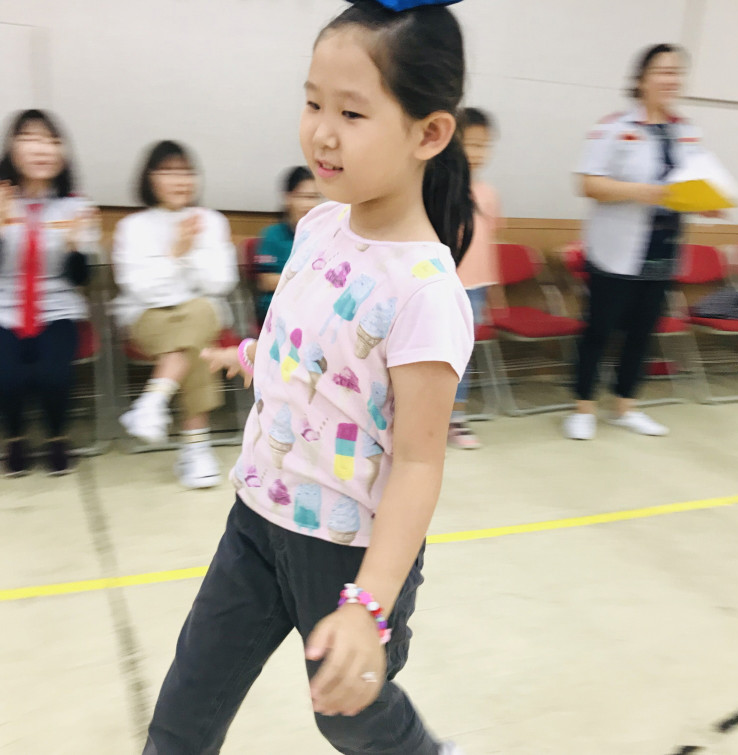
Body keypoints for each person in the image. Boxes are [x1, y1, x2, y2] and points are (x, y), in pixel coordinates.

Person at [142, 1, 474, 753]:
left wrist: (368, 605)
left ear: (428, 134)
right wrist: (252, 357)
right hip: (257, 517)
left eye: (351, 112)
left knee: (348, 716)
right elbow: (313, 343)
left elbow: (419, 464)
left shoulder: (426, 293)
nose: (321, 131)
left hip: (348, 551)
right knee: (184, 711)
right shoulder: (320, 224)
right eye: (313, 102)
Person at [564, 43, 714, 441]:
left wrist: (708, 202)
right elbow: (588, 183)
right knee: (599, 330)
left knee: (643, 333)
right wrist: (644, 192)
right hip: (616, 249)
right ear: (641, 79)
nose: (671, 79)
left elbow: (692, 183)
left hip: (663, 250)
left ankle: (625, 405)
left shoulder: (686, 132)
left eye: (676, 72)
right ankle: (583, 407)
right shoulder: (615, 127)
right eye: (662, 71)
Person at [112, 141, 239, 488]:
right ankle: (195, 449)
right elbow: (140, 289)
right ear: (150, 178)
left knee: (198, 312)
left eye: (186, 172)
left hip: (202, 312)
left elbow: (222, 282)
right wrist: (177, 253)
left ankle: (153, 402)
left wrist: (186, 257)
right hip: (149, 317)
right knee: (195, 338)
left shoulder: (211, 221)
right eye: (168, 171)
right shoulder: (132, 227)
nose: (180, 180)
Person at [0, 109, 100, 477]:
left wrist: (75, 247)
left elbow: (81, 278)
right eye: (30, 138)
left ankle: (58, 437)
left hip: (58, 307)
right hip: (4, 308)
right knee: (8, 377)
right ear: (12, 149)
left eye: (51, 140)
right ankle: (14, 438)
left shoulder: (76, 206)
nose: (42, 148)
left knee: (52, 375)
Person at [449, 107, 503, 449]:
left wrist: (494, 288)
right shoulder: (435, 188)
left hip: (476, 288)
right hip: (441, 285)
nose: (478, 153)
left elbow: (489, 241)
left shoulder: (488, 193)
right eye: (471, 144)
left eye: (484, 145)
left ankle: (456, 419)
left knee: (462, 354)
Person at [254, 165, 319, 326]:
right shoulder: (272, 235)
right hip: (277, 310)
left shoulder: (322, 235)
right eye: (304, 197)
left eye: (314, 197)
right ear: (288, 198)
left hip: (312, 307)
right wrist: (308, 281)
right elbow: (266, 281)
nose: (309, 204)